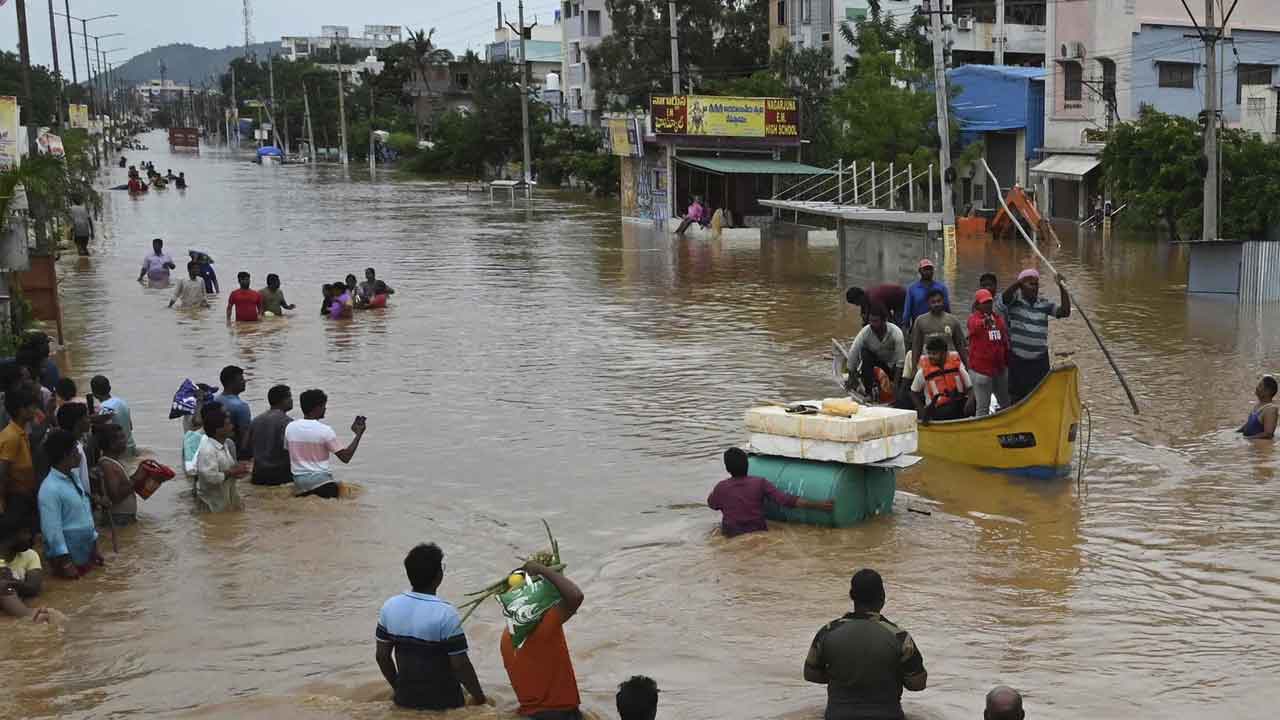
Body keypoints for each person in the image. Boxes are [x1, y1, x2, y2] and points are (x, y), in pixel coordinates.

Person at [804, 569, 927, 720]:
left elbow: (810, 673)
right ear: (882, 597)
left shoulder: (828, 632)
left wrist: (839, 674)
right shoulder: (899, 637)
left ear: (851, 595)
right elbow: (918, 684)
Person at [376, 543, 486, 710]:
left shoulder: (389, 606)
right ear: (439, 575)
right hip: (446, 703)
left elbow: (382, 657)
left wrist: (398, 688)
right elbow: (460, 665)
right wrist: (480, 699)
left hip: (405, 700)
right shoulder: (446, 613)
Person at [500, 561, 586, 719]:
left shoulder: (506, 637)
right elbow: (575, 596)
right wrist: (540, 569)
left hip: (531, 714)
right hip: (560, 714)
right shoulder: (543, 626)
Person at [708, 447, 833, 537]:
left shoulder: (721, 487)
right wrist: (820, 505)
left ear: (727, 468)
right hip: (757, 532)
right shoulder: (759, 483)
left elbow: (712, 504)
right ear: (747, 464)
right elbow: (786, 500)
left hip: (731, 534)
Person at [38, 428, 102, 577]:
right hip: (68, 561)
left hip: (85, 554)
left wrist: (95, 549)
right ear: (66, 455)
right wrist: (66, 564)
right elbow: (52, 531)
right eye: (76, 450)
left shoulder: (74, 477)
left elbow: (85, 515)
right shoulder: (50, 489)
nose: (79, 454)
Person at [1001, 269, 1070, 403]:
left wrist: (1062, 287)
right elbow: (1005, 298)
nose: (1035, 287)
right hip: (1019, 361)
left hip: (1039, 362)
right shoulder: (1014, 302)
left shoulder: (1044, 303)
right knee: (1017, 397)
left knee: (1041, 396)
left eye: (1036, 284)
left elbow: (1065, 312)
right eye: (1030, 284)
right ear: (1021, 287)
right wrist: (1018, 283)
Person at [285, 389, 366, 499]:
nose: (325, 409)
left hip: (300, 485)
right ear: (317, 408)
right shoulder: (325, 430)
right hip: (323, 485)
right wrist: (358, 434)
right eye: (324, 406)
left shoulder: (290, 427)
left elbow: (288, 452)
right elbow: (346, 457)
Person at [193, 403, 249, 512]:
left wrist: (239, 471)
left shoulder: (225, 445)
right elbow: (210, 477)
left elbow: (227, 470)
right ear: (218, 430)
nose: (232, 427)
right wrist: (232, 472)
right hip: (212, 507)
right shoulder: (208, 450)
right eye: (228, 424)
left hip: (225, 503)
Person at [845, 302, 906, 402]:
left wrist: (895, 385)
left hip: (893, 367)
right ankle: (869, 392)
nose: (872, 324)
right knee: (865, 353)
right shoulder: (865, 332)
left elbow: (900, 362)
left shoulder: (896, 333)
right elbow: (853, 353)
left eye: (876, 321)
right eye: (871, 321)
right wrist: (851, 375)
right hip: (876, 363)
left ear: (884, 320)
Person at [0, 386, 40, 533]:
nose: (36, 410)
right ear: (22, 410)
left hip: (24, 497)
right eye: (32, 407)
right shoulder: (12, 437)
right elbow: (2, 473)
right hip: (15, 500)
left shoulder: (20, 432)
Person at [967, 289, 1011, 417]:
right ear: (977, 305)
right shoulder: (973, 319)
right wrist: (984, 322)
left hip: (999, 370)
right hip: (981, 372)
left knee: (1006, 405)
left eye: (989, 302)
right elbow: (974, 326)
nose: (988, 305)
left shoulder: (998, 319)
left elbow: (1004, 341)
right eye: (984, 302)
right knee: (982, 408)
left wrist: (1007, 363)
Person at [910, 337, 973, 422]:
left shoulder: (958, 366)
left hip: (959, 404)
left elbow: (970, 388)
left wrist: (970, 401)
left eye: (934, 353)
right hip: (938, 410)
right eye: (929, 353)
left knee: (972, 403)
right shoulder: (922, 372)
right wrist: (922, 411)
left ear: (944, 354)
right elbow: (913, 393)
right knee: (948, 410)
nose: (930, 356)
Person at [97, 424, 145, 526]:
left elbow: (125, 486)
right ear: (112, 444)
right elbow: (116, 497)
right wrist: (136, 478)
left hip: (122, 518)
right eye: (122, 438)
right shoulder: (107, 464)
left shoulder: (114, 462)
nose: (126, 441)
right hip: (118, 519)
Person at [909, 287, 967, 369]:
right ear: (928, 303)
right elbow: (916, 346)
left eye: (939, 301)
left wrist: (966, 365)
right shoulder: (920, 321)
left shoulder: (953, 320)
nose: (936, 304)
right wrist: (914, 367)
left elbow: (960, 345)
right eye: (933, 302)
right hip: (928, 362)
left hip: (949, 362)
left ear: (943, 301)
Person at [250, 385, 294, 486]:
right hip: (280, 475)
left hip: (258, 474)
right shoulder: (288, 422)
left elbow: (247, 447)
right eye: (289, 397)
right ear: (282, 400)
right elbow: (292, 450)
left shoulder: (255, 421)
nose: (292, 400)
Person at [214, 366, 252, 461]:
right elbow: (245, 436)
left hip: (216, 450)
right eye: (241, 379)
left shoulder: (215, 400)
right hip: (234, 453)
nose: (244, 381)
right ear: (231, 383)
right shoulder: (241, 406)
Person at [91, 375, 136, 456]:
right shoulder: (122, 402)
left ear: (94, 394)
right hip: (131, 446)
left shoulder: (103, 408)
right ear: (110, 388)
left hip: (119, 451)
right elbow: (131, 427)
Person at [901, 259, 950, 331]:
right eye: (925, 269)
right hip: (918, 326)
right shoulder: (912, 289)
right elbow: (907, 311)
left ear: (933, 271)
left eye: (930, 269)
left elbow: (947, 307)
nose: (928, 272)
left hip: (938, 326)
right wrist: (905, 327)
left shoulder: (941, 287)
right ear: (920, 271)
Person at [56, 403, 93, 496]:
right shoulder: (74, 450)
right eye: (86, 417)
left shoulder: (75, 444)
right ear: (78, 421)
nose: (90, 420)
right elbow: (74, 482)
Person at [1239, 375, 1279, 440]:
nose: (1257, 387)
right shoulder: (1258, 405)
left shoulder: (1271, 409)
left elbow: (1268, 434)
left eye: (1260, 386)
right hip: (1251, 443)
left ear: (1268, 391)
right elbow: (1249, 424)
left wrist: (1247, 438)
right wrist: (1236, 432)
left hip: (1259, 445)